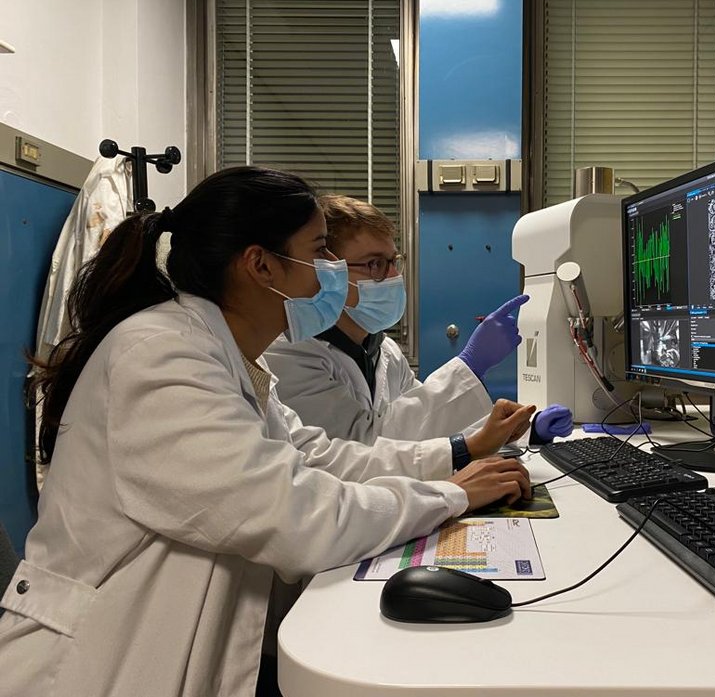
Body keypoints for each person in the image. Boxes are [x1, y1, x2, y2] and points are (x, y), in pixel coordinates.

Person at [0, 167, 533, 697]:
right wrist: (449, 495)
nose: (334, 272)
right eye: (321, 250)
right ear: (261, 265)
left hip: (188, 638)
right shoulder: (160, 354)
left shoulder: (225, 355)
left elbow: (319, 457)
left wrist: (455, 462)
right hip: (103, 661)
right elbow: (295, 515)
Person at [264, 194, 574, 446]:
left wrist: (523, 430)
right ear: (327, 271)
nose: (393, 277)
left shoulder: (382, 350)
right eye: (375, 264)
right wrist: (470, 364)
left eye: (393, 261)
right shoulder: (290, 354)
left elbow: (429, 430)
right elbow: (367, 447)